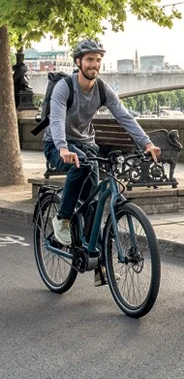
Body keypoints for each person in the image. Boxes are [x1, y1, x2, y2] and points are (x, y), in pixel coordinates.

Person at [43, 39, 160, 286]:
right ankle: (62, 218)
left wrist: (147, 143)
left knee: (94, 203)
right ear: (78, 62)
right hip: (57, 144)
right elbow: (55, 120)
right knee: (81, 165)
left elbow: (124, 116)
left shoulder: (103, 89)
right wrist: (63, 147)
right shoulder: (65, 87)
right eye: (89, 59)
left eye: (97, 60)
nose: (94, 64)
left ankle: (97, 262)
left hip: (86, 146)